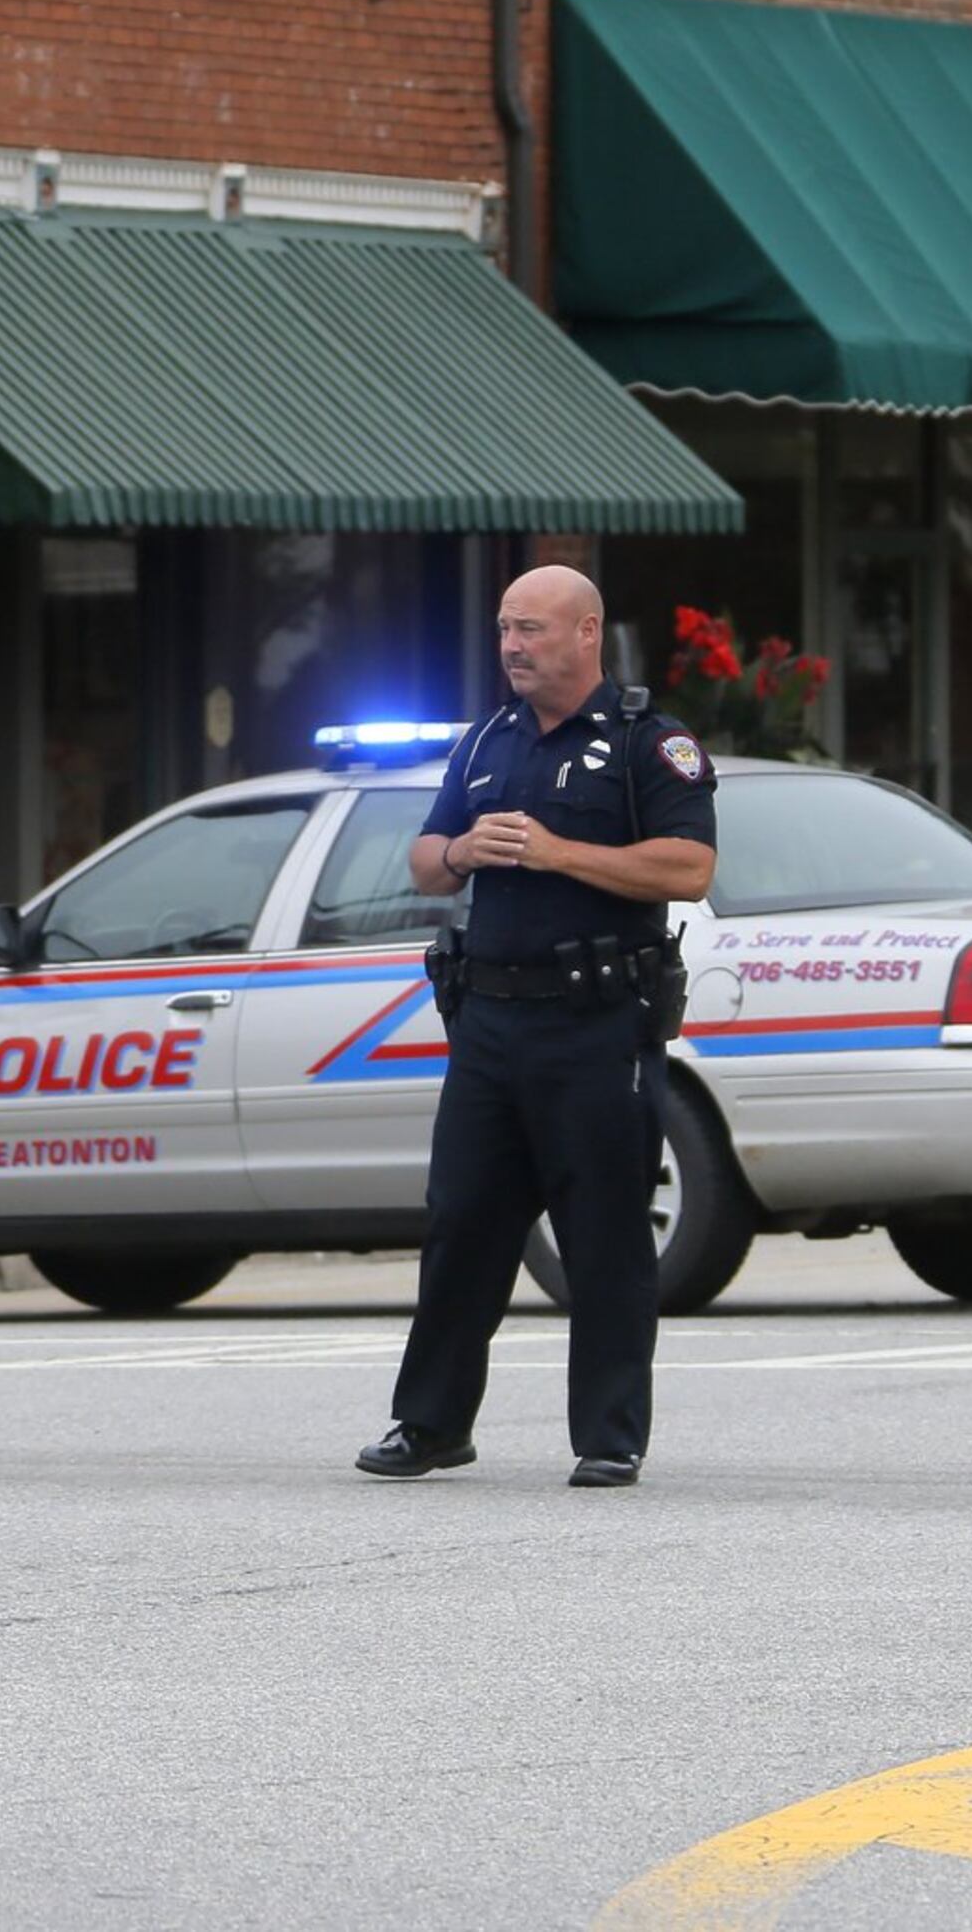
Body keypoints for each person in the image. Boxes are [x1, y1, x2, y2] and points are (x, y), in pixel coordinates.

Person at [358, 566, 718, 1489]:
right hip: (488, 1023)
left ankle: (608, 1436)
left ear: (587, 632)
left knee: (602, 1233)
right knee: (462, 1226)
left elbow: (689, 866)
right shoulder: (486, 739)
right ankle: (430, 1423)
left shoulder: (648, 741)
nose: (513, 646)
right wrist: (460, 851)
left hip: (597, 1022)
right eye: (505, 629)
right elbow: (426, 863)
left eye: (532, 630)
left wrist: (563, 853)